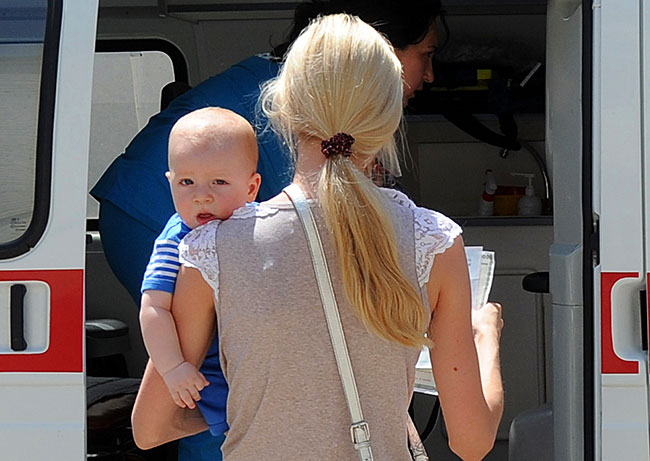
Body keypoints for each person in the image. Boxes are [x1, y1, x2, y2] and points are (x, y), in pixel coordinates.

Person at [132, 13, 503, 461]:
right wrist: (486, 338)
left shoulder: (210, 251)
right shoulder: (435, 241)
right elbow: (472, 443)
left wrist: (258, 411)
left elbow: (151, 428)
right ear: (388, 117)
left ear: (285, 108)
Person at [138, 107, 261, 451]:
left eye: (219, 182)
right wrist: (173, 367)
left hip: (256, 361)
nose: (201, 195)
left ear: (251, 188)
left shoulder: (262, 228)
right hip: (212, 377)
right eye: (186, 182)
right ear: (170, 182)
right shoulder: (177, 240)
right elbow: (153, 309)